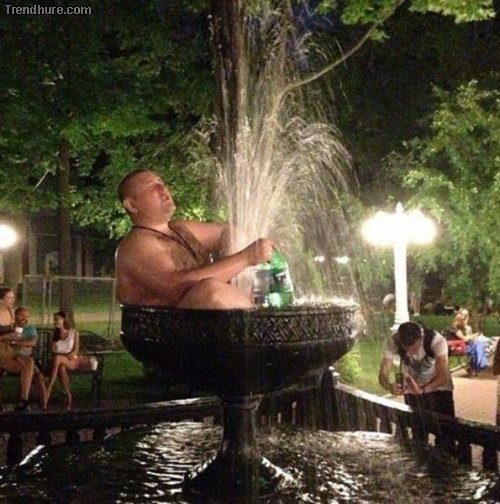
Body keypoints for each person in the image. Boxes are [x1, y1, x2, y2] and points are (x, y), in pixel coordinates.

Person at [115, 169, 275, 309]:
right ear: (132, 205)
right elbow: (178, 288)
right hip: (164, 328)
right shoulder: (136, 244)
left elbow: (225, 232)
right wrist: (246, 258)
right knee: (211, 291)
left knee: (235, 238)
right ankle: (259, 322)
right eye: (152, 187)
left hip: (203, 322)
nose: (163, 189)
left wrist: (240, 257)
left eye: (162, 184)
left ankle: (258, 312)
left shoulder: (180, 228)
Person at [378, 321, 455, 417]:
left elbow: (443, 377)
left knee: (445, 424)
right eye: (406, 349)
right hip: (412, 393)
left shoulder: (436, 340)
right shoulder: (393, 341)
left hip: (440, 391)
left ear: (421, 338)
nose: (410, 353)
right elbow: (383, 374)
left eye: (414, 349)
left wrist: (422, 390)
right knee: (416, 423)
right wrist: (389, 386)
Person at [45, 311, 94, 410]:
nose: (55, 322)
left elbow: (76, 350)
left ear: (63, 320)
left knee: (59, 359)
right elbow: (53, 351)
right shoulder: (54, 334)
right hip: (59, 363)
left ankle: (49, 388)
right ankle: (68, 395)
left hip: (71, 360)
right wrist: (61, 357)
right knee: (61, 366)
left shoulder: (74, 333)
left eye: (57, 319)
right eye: (54, 320)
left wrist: (66, 356)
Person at [0, 288, 35, 411]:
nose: (13, 300)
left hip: (9, 348)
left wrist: (16, 335)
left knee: (29, 362)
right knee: (13, 366)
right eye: (9, 297)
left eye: (13, 297)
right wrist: (6, 337)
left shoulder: (11, 312)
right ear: (1, 299)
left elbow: (16, 332)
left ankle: (23, 400)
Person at [445, 311, 488, 377]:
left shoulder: (453, 328)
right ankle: (480, 365)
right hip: (457, 349)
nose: (465, 322)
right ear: (460, 321)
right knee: (477, 346)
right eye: (464, 320)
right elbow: (464, 339)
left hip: (455, 348)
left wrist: (472, 337)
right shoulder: (455, 329)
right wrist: (476, 335)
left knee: (477, 346)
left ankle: (478, 366)